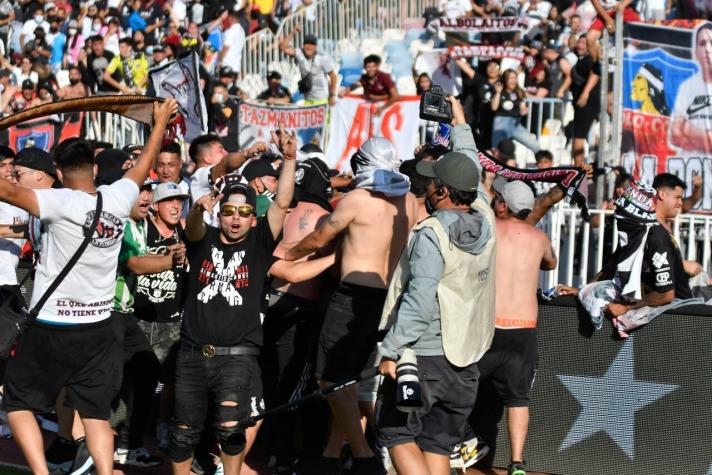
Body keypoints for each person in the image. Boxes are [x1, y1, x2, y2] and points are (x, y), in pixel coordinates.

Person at [2, 98, 176, 475]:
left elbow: (8, 192)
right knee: (96, 414)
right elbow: (144, 164)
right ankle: (104, 470)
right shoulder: (118, 197)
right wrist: (159, 124)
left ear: (60, 174)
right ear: (95, 168)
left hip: (52, 326)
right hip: (100, 327)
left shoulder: (56, 201)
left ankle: (41, 472)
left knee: (16, 403)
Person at [376, 95, 496, 475]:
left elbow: (420, 298)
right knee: (437, 444)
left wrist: (391, 350)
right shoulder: (487, 216)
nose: (427, 187)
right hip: (467, 359)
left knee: (395, 432)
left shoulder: (431, 233)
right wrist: (459, 120)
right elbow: (471, 166)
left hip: (424, 355)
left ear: (443, 191)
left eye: (433, 183)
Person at [285, 134, 418, 473]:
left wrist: (289, 252)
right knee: (350, 381)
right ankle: (331, 455)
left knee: (329, 379)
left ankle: (363, 455)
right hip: (387, 301)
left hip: (353, 298)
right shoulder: (410, 202)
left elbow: (319, 236)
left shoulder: (357, 199)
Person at [169, 128, 297, 475]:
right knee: (182, 432)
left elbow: (282, 203)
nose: (236, 217)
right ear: (220, 214)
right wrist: (198, 210)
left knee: (230, 429)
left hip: (237, 357)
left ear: (253, 218)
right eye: (228, 211)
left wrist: (288, 160)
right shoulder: (203, 237)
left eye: (243, 212)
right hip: (193, 353)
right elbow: (192, 227)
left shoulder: (258, 244)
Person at [471, 178, 557, 475]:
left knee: (461, 388)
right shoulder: (539, 238)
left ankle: (452, 446)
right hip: (523, 329)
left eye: (497, 199)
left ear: (503, 205)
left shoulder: (490, 229)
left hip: (489, 327)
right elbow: (551, 263)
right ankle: (517, 462)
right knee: (518, 399)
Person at [263, 151, 337, 474]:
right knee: (294, 388)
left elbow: (270, 252)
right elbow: (333, 271)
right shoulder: (326, 216)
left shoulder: (284, 212)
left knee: (274, 382)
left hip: (270, 306)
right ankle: (286, 457)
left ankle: (276, 453)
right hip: (301, 312)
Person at [187, 134, 267, 225]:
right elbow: (225, 163)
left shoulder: (226, 176)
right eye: (221, 150)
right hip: (210, 235)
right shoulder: (199, 176)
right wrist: (246, 153)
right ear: (207, 158)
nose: (226, 153)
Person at [670, 23, 712, 155]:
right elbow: (675, 135)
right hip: (690, 168)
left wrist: (689, 130)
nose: (708, 49)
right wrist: (706, 139)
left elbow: (683, 130)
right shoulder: (687, 87)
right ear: (695, 52)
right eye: (702, 43)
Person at [279, 27, 338, 106]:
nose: (309, 46)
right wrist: (293, 32)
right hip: (308, 101)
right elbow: (283, 48)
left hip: (322, 100)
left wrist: (332, 95)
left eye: (312, 44)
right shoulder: (299, 54)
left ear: (316, 46)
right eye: (307, 43)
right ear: (303, 45)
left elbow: (333, 77)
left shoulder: (321, 59)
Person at [491, 69, 541, 153]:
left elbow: (523, 107)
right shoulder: (499, 91)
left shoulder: (519, 92)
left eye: (515, 78)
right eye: (511, 78)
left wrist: (524, 110)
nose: (513, 80)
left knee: (536, 146)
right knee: (497, 150)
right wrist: (498, 93)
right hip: (501, 123)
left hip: (516, 124)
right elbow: (494, 107)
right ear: (505, 79)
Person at [570, 36, 601, 167]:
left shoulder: (589, 60)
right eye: (579, 42)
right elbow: (571, 44)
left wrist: (585, 93)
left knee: (579, 135)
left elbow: (595, 73)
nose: (579, 45)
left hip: (586, 103)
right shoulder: (582, 58)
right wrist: (573, 32)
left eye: (584, 43)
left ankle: (578, 170)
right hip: (587, 103)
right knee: (591, 135)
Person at [155, 142, 191, 217]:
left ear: (180, 164)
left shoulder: (191, 189)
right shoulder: (149, 189)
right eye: (161, 165)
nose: (165, 171)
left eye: (171, 165)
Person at [219, 7, 246, 76]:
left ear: (231, 18)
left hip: (227, 65)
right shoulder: (242, 31)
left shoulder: (231, 31)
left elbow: (226, 47)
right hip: (236, 66)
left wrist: (219, 61)